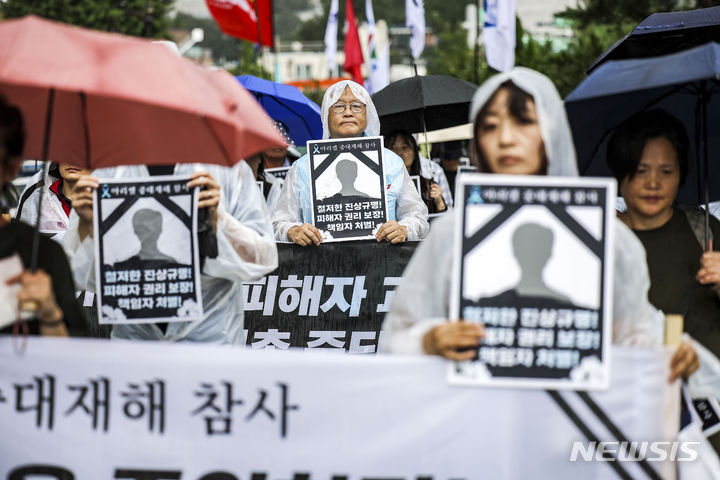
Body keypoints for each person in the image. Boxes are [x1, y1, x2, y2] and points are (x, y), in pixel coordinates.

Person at [381, 68, 698, 383]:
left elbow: (634, 331)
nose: (506, 138)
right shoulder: (453, 235)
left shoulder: (604, 235)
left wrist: (670, 350)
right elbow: (397, 337)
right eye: (491, 126)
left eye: (524, 122)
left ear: (552, 132)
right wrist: (430, 339)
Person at [63, 159, 278, 344]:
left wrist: (217, 220)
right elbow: (77, 275)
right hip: (135, 346)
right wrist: (87, 226)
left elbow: (261, 260)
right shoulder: (109, 174)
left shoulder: (228, 171)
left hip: (210, 341)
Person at [607, 111, 720, 357]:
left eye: (666, 172)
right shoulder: (601, 237)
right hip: (630, 385)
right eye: (640, 171)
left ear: (681, 174)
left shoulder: (706, 229)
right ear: (619, 174)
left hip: (707, 389)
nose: (653, 183)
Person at [272, 80, 429, 246]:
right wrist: (292, 231)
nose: (348, 112)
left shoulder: (391, 162)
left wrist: (404, 229)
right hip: (323, 267)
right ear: (326, 115)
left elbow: (418, 217)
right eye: (338, 106)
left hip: (382, 266)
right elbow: (278, 223)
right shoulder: (302, 168)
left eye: (356, 106)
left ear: (367, 115)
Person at [0, 95, 88, 337]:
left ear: (12, 166)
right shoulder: (35, 191)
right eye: (65, 148)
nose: (72, 158)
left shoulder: (43, 254)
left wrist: (50, 313)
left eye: (80, 151)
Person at [15, 162, 92, 239]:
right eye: (65, 155)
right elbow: (23, 240)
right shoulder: (37, 195)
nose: (71, 162)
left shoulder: (101, 199)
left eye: (79, 156)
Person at [385, 130, 452, 213]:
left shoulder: (427, 186)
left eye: (404, 148)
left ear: (415, 154)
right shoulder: (381, 186)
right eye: (393, 148)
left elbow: (443, 218)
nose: (399, 153)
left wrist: (439, 202)